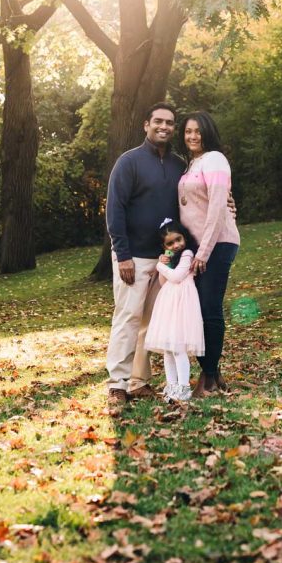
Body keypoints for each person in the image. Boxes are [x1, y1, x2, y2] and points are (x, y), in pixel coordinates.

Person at [105, 103, 185, 414]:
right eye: (158, 121)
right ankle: (117, 384)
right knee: (127, 318)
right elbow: (115, 210)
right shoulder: (129, 162)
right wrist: (122, 255)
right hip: (133, 257)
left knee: (150, 324)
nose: (164, 126)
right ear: (146, 125)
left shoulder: (179, 165)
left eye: (170, 123)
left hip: (165, 258)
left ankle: (139, 382)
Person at [178, 111, 240, 398]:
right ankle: (212, 372)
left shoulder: (214, 158)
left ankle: (209, 376)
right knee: (197, 310)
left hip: (216, 245)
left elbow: (217, 207)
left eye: (198, 131)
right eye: (188, 131)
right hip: (199, 247)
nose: (192, 136)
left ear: (208, 132)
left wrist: (203, 252)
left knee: (208, 308)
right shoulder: (193, 163)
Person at [144, 218, 205, 403]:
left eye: (178, 239)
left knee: (178, 348)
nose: (176, 245)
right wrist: (166, 263)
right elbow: (164, 282)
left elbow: (178, 277)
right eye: (170, 243)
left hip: (183, 304)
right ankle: (171, 386)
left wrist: (159, 265)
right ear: (165, 246)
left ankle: (184, 387)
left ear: (184, 237)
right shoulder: (172, 258)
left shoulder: (187, 254)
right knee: (168, 350)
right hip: (169, 303)